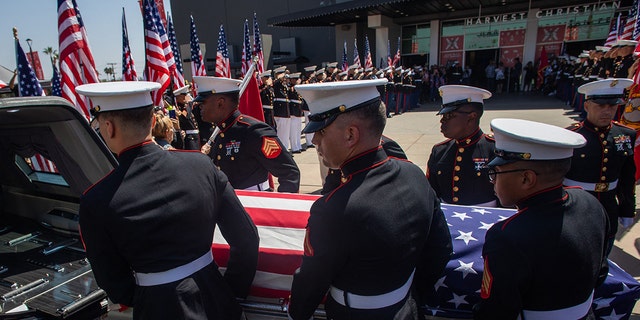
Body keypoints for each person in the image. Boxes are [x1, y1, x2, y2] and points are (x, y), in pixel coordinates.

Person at [76, 81, 259, 320]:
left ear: (108, 127)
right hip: (218, 298)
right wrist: (230, 291)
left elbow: (113, 281)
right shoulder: (201, 166)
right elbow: (246, 238)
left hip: (157, 307)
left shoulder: (97, 199)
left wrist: (146, 295)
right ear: (153, 121)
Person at [288, 79, 453, 320]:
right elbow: (440, 250)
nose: (314, 141)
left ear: (350, 134)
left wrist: (296, 315)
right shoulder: (414, 174)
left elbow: (312, 281)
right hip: (407, 309)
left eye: (321, 131)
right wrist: (408, 295)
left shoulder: (335, 208)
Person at [474, 118, 609, 320]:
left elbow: (497, 311)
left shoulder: (508, 236)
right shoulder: (590, 203)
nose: (492, 181)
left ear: (526, 179)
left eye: (496, 173)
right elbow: (600, 272)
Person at [193, 76, 301, 193]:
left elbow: (290, 173)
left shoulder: (253, 131)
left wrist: (280, 208)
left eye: (203, 102)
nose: (200, 107)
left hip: (253, 204)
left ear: (220, 103)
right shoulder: (220, 132)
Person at [564, 78, 636, 254]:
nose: (607, 111)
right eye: (600, 106)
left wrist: (627, 209)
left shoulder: (626, 135)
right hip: (575, 206)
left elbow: (627, 177)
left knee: (603, 252)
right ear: (587, 105)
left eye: (612, 106)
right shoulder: (570, 136)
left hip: (607, 207)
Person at [427, 85, 498, 207]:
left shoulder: (494, 150)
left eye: (449, 115)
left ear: (471, 117)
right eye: (443, 115)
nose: (442, 120)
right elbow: (431, 195)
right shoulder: (439, 151)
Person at [172, 85, 200, 150]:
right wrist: (189, 103)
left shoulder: (185, 106)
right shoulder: (179, 108)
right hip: (189, 137)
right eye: (184, 95)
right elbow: (186, 117)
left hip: (195, 136)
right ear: (179, 97)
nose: (186, 97)